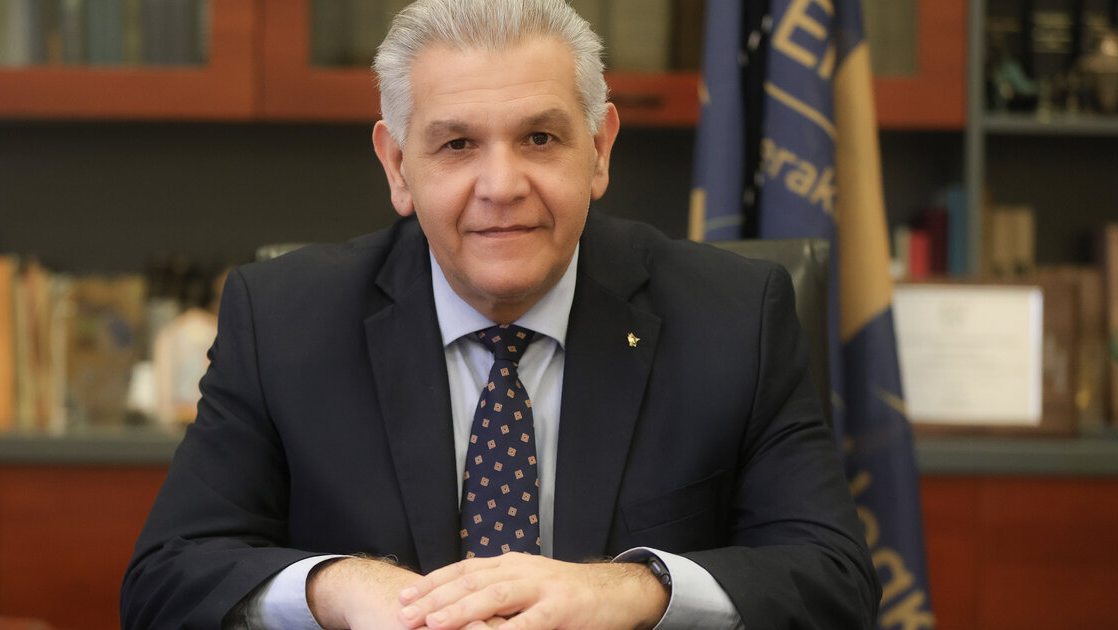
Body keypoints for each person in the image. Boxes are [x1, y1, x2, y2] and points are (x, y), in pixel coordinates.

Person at [120, 1, 880, 628]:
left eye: (540, 138)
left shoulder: (736, 318)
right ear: (397, 166)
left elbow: (835, 582)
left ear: (599, 149)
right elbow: (165, 583)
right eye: (457, 144)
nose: (501, 185)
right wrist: (339, 588)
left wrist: (634, 590)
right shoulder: (282, 321)